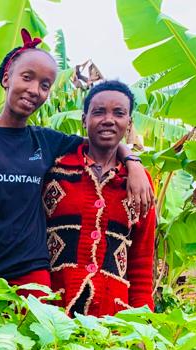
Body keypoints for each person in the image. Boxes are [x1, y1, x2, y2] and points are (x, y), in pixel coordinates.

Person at [0, 30, 153, 300]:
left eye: (45, 85)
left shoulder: (45, 142)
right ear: (6, 77)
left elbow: (103, 136)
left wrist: (132, 161)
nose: (35, 90)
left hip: (30, 274)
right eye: (27, 77)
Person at [42, 80, 155, 315]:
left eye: (119, 113)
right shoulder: (54, 169)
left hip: (112, 318)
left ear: (129, 123)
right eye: (99, 112)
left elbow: (141, 264)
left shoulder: (139, 184)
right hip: (52, 312)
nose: (108, 120)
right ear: (84, 120)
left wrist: (143, 325)